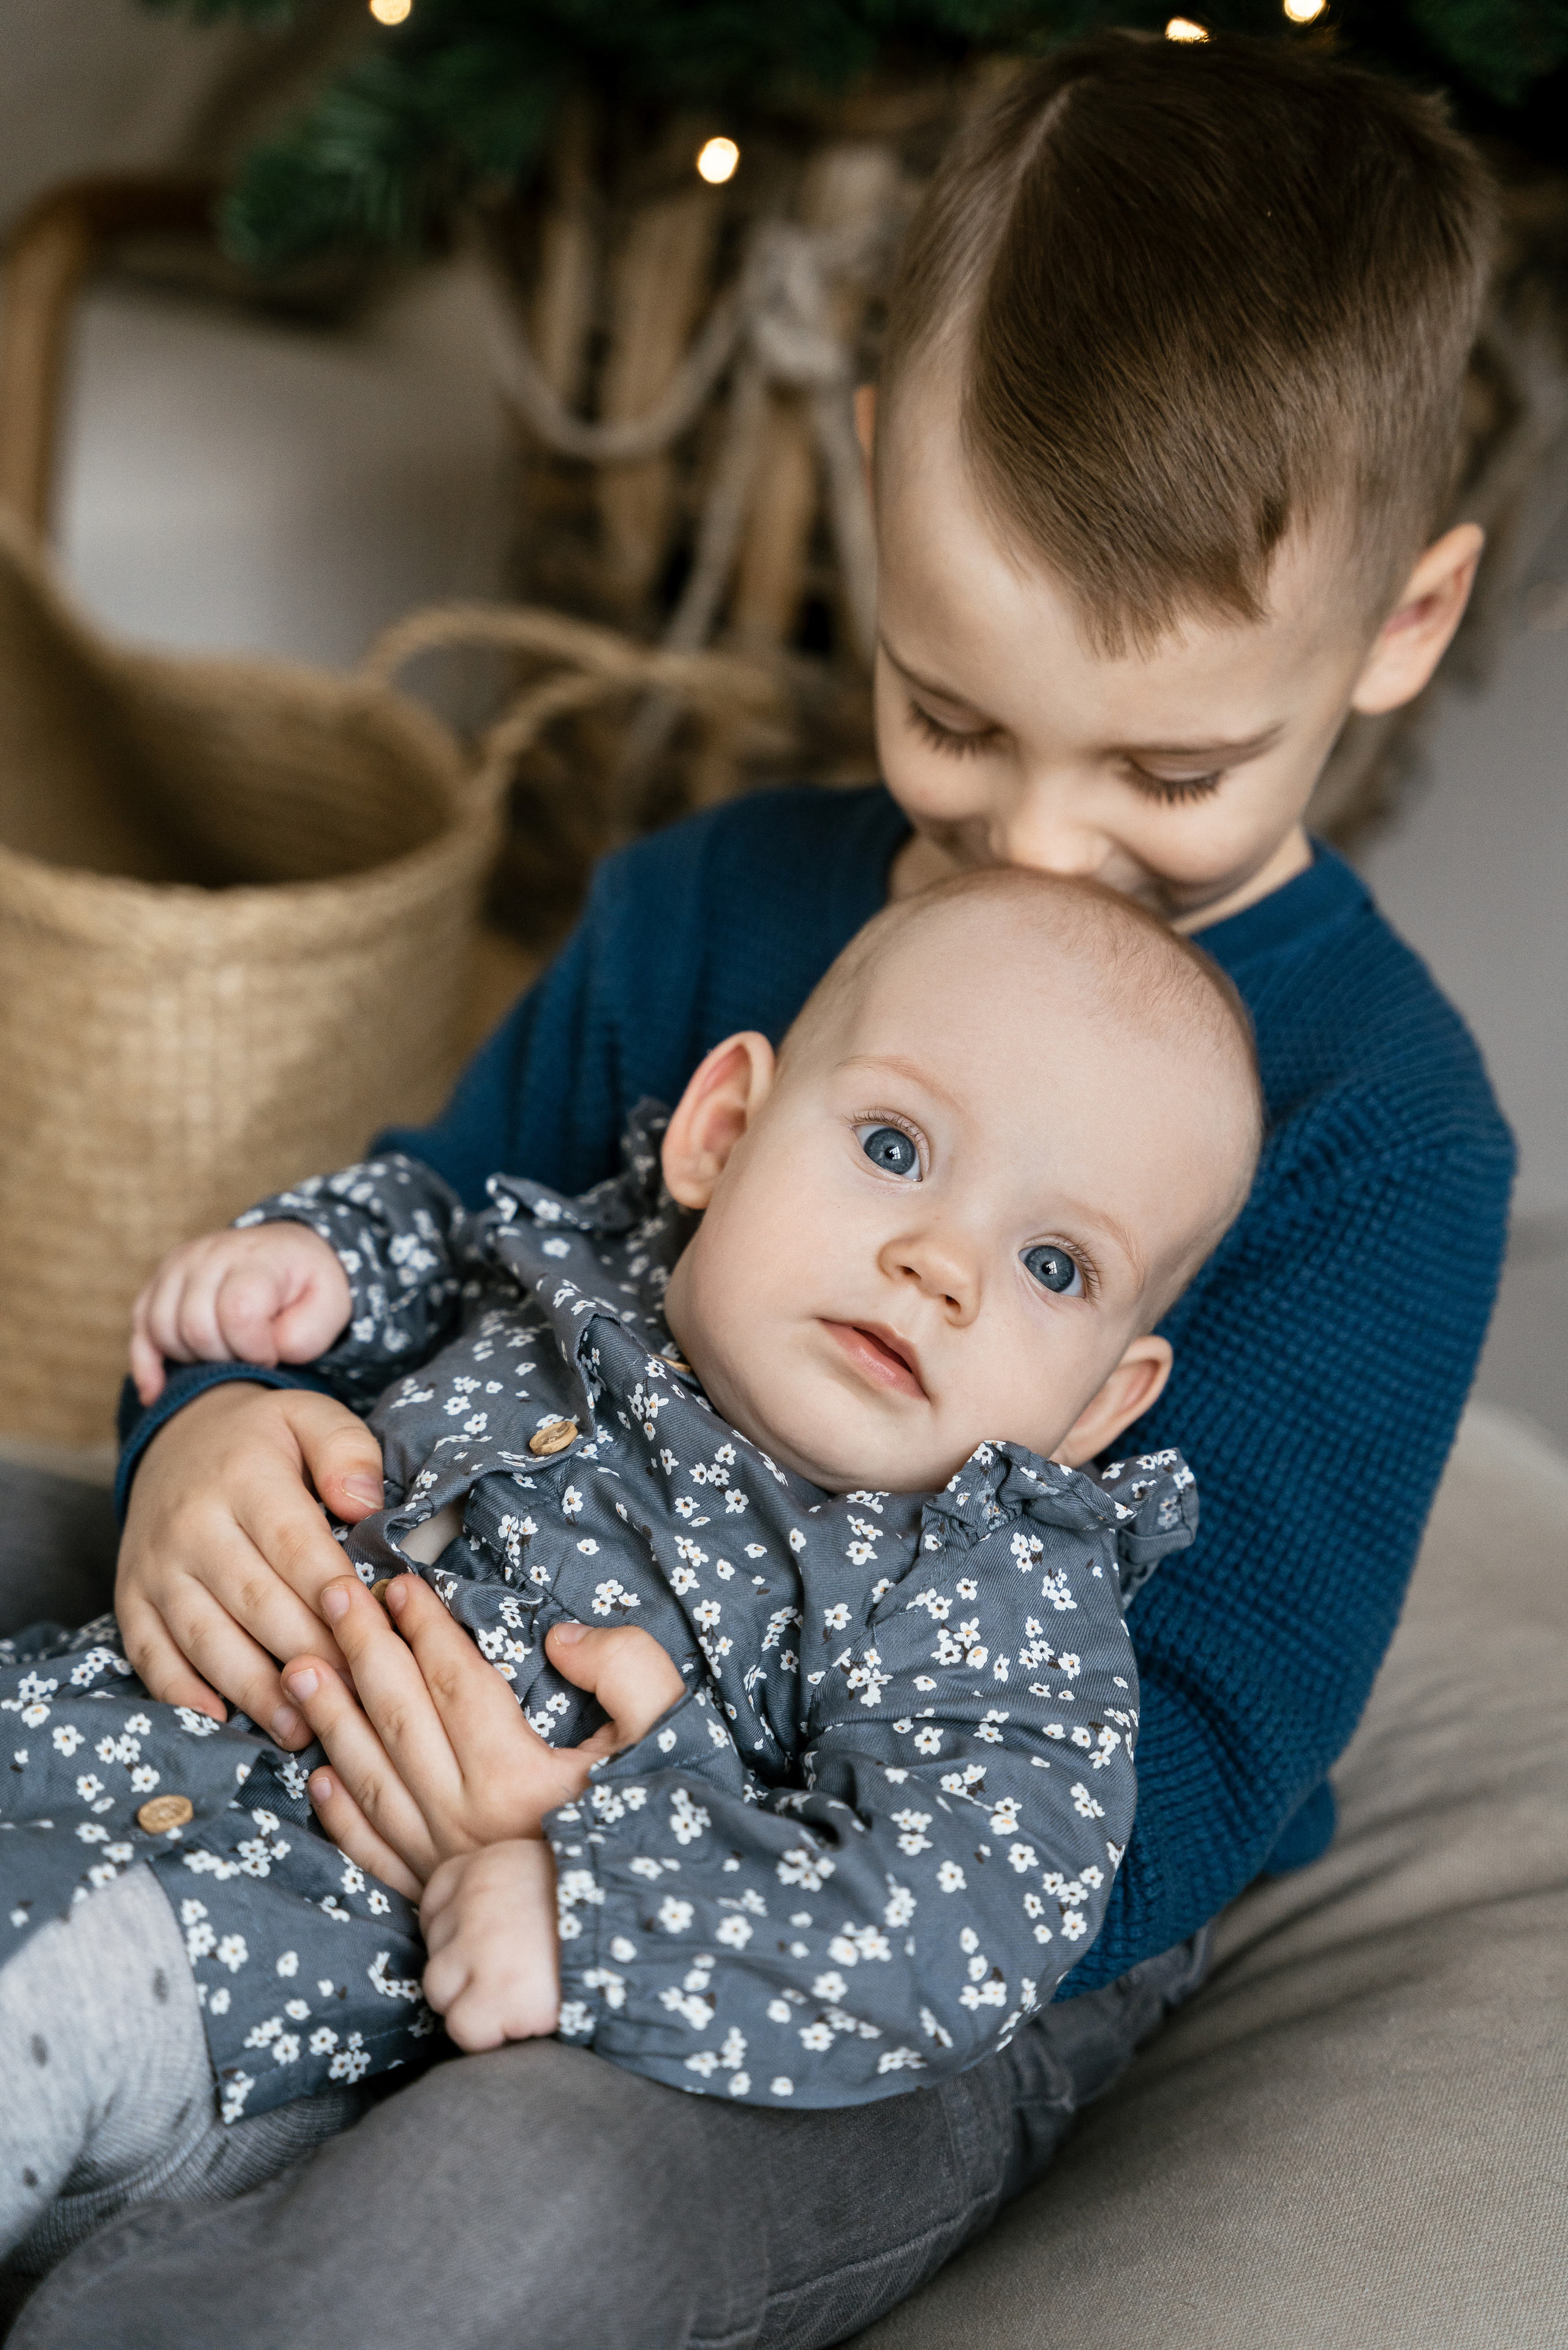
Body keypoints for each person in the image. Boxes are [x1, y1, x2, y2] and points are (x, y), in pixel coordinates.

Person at [11, 30, 1513, 2350]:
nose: (1035, 845)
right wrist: (202, 1440)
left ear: (1400, 631)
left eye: (1173, 768)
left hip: (883, 1900)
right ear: (868, 500)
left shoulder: (1389, 1133)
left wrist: (586, 1848)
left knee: (515, 2215)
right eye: (954, 711)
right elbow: (405, 1231)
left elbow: (1174, 1783)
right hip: (453, 1582)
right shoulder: (718, 898)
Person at [0, 868, 1259, 2258]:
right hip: (75, 1730)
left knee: (42, 1973)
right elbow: (425, 1229)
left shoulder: (981, 1594)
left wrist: (589, 1909)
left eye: (1054, 1265)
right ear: (722, 1131)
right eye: (896, 1148)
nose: (939, 1261)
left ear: (1096, 1408)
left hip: (246, 1964)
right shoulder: (586, 1257)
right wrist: (309, 1264)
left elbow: (947, 1923)